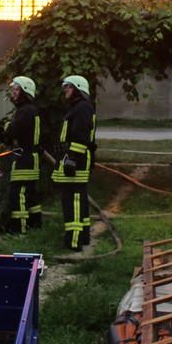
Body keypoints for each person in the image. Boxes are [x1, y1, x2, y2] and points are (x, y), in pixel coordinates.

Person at [0, 76, 42, 234]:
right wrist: (1, 133)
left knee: (18, 195)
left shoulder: (25, 111)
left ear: (25, 92)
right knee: (30, 194)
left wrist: (4, 125)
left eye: (17, 89)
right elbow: (15, 135)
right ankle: (35, 226)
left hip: (24, 159)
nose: (13, 92)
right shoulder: (29, 110)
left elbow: (13, 130)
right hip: (29, 157)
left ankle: (21, 230)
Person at [51, 74, 97, 251]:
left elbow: (80, 137)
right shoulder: (79, 107)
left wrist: (71, 159)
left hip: (75, 161)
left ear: (78, 89)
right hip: (74, 160)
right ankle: (83, 236)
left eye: (68, 87)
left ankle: (74, 240)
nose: (65, 91)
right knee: (77, 199)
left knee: (74, 200)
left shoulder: (82, 108)